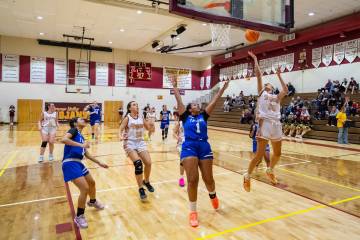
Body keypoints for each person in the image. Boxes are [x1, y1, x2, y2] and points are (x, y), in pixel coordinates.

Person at [171, 75, 229, 227]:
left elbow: (215, 101)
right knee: (192, 179)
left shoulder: (204, 115)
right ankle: (193, 212)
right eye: (195, 105)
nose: (198, 105)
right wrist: (175, 85)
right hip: (189, 146)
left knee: (208, 179)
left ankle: (213, 195)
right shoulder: (185, 117)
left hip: (204, 146)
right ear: (190, 109)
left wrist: (222, 89)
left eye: (198, 104)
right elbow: (179, 100)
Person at [243, 52, 288, 192]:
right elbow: (258, 74)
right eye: (267, 84)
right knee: (258, 155)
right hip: (265, 124)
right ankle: (247, 176)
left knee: (278, 153)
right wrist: (255, 59)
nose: (269, 85)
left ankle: (270, 170)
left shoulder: (276, 97)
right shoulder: (262, 93)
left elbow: (285, 90)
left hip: (276, 125)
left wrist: (279, 75)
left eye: (270, 84)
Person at [61, 117, 108, 229]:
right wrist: (81, 145)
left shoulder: (81, 136)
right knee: (85, 188)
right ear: (75, 123)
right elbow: (64, 139)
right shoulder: (73, 130)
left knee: (92, 183)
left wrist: (99, 162)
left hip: (78, 163)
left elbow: (87, 154)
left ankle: (92, 201)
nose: (84, 120)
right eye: (81, 119)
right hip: (70, 163)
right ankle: (79, 216)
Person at [119, 101, 155, 200]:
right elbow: (121, 128)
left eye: (137, 105)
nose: (137, 106)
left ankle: (146, 181)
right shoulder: (127, 118)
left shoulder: (141, 117)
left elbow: (149, 129)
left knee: (148, 163)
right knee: (138, 163)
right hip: (130, 143)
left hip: (140, 142)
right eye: (134, 105)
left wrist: (151, 124)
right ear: (130, 108)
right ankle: (140, 188)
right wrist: (120, 135)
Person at [173, 119, 185, 187]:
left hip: (190, 144)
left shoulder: (192, 122)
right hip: (181, 144)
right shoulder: (179, 123)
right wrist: (178, 138)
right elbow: (174, 133)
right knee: (183, 160)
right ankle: (181, 178)